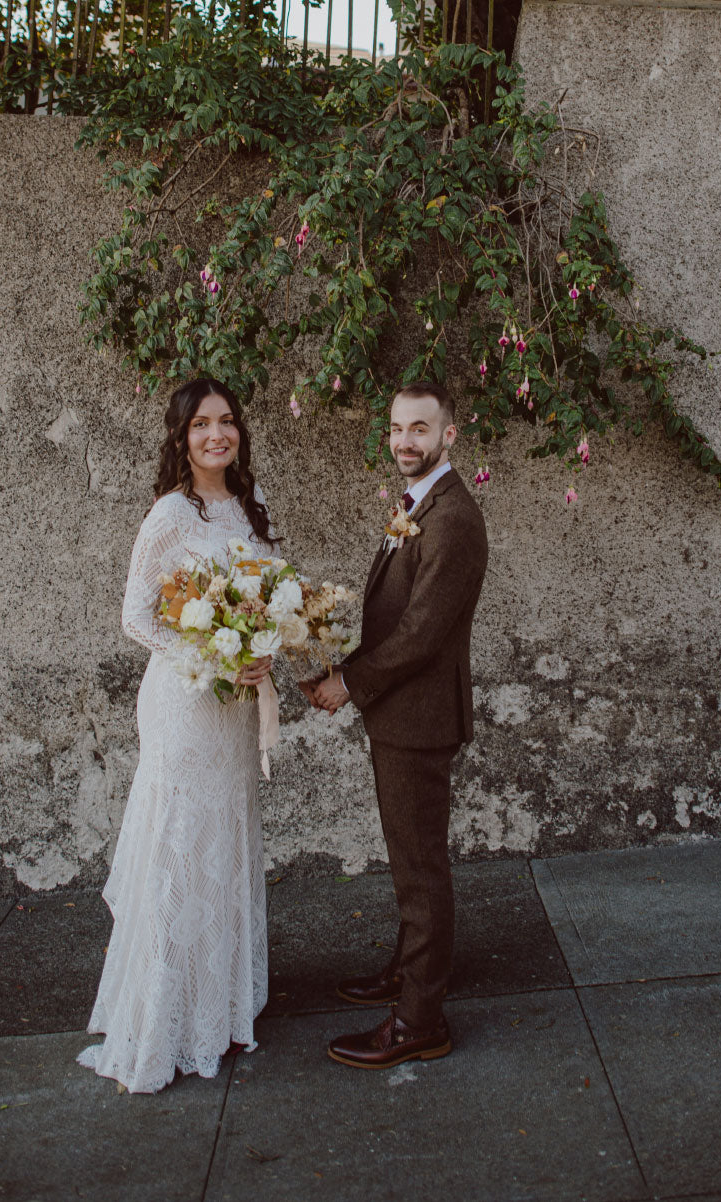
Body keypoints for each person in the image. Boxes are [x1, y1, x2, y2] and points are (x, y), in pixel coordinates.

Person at [77, 377, 275, 1094]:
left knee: (223, 841)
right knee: (180, 843)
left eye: (227, 422)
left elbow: (267, 603)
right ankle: (161, 1017)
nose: (216, 435)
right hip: (184, 703)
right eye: (201, 425)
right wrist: (214, 654)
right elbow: (137, 616)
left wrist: (262, 650)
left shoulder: (251, 510)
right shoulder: (167, 515)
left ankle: (215, 1007)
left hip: (233, 708)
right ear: (181, 437)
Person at [301, 380, 489, 1069]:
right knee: (410, 860)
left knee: (420, 867)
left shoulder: (452, 519)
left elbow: (421, 634)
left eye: (419, 429)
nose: (405, 441)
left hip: (420, 716)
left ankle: (419, 1021)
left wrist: (348, 682)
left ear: (449, 436)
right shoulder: (418, 502)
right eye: (396, 428)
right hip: (399, 712)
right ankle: (411, 972)